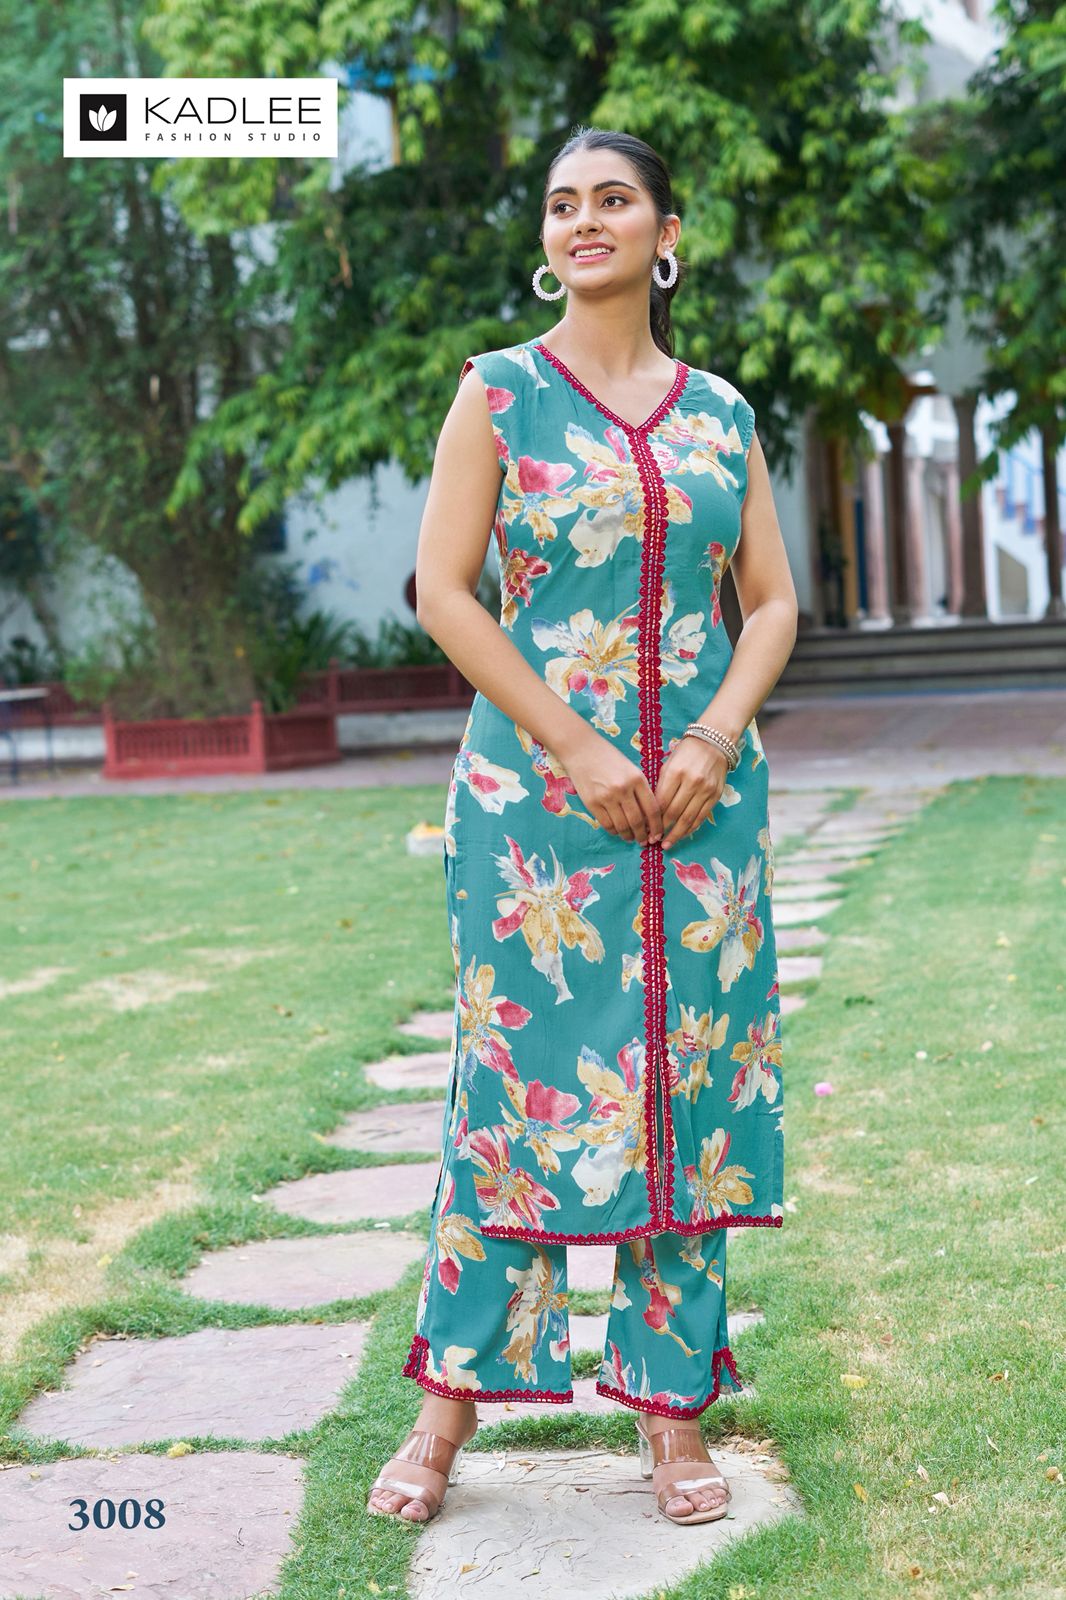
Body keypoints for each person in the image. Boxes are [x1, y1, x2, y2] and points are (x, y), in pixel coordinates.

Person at [368, 125, 798, 1528]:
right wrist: (575, 744)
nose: (584, 221)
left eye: (614, 200)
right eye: (563, 205)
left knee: (688, 1096)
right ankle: (446, 1411)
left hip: (702, 805)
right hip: (535, 809)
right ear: (547, 239)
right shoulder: (498, 394)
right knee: (515, 1091)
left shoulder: (722, 414)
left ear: (667, 234)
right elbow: (445, 593)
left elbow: (771, 602)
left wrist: (712, 738)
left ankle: (672, 1417)